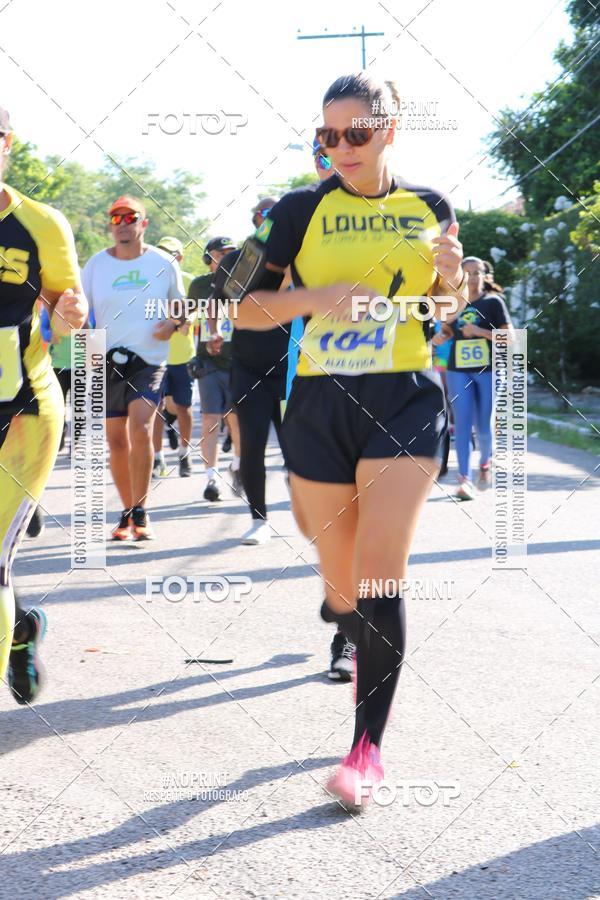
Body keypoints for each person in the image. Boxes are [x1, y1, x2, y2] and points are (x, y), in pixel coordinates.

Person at [231, 73, 467, 806]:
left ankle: (366, 750)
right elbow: (236, 308)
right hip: (320, 402)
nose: (340, 147)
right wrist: (313, 299)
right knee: (342, 589)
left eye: (356, 134)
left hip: (404, 395)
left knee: (380, 567)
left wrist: (452, 284)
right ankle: (342, 619)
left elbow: (441, 307)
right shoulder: (296, 210)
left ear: (390, 131)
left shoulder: (430, 207)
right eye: (327, 136)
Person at [0, 105, 88, 703]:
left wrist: (69, 315)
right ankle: (21, 631)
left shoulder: (42, 224)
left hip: (22, 411)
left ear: (6, 142)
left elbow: (69, 308)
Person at [82, 196, 184, 540]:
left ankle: (141, 510)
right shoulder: (95, 266)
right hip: (106, 359)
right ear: (110, 225)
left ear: (144, 223)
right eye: (116, 218)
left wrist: (171, 324)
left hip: (150, 360)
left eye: (130, 217)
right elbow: (82, 316)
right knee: (115, 440)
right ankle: (126, 514)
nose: (122, 223)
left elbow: (181, 308)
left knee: (140, 427)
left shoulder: (163, 262)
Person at [211, 198, 290, 545]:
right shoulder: (233, 261)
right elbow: (233, 306)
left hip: (292, 366)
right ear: (255, 221)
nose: (269, 223)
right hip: (248, 366)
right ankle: (259, 520)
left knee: (298, 446)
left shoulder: (299, 258)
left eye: (277, 218)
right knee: (253, 444)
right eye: (263, 217)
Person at [442, 256, 512, 500]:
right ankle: (464, 480)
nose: (471, 277)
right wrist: (442, 335)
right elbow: (446, 329)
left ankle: (485, 462)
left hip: (490, 370)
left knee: (483, 425)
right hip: (457, 369)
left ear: (484, 275)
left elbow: (510, 339)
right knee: (462, 424)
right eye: (467, 273)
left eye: (476, 272)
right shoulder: (453, 302)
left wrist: (479, 331)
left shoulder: (493, 302)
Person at [188, 237, 241, 501]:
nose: (228, 257)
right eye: (222, 253)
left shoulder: (243, 282)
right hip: (207, 361)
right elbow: (186, 316)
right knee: (210, 419)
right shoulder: (198, 285)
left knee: (235, 418)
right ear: (209, 257)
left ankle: (238, 466)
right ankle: (211, 478)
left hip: (237, 361)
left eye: (233, 252)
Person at [153, 235, 194, 478]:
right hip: (155, 355)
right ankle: (157, 458)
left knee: (183, 407)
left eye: (172, 254)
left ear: (180, 257)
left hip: (182, 356)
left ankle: (184, 453)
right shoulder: (149, 282)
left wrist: (181, 320)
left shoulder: (189, 282)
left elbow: (189, 321)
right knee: (157, 407)